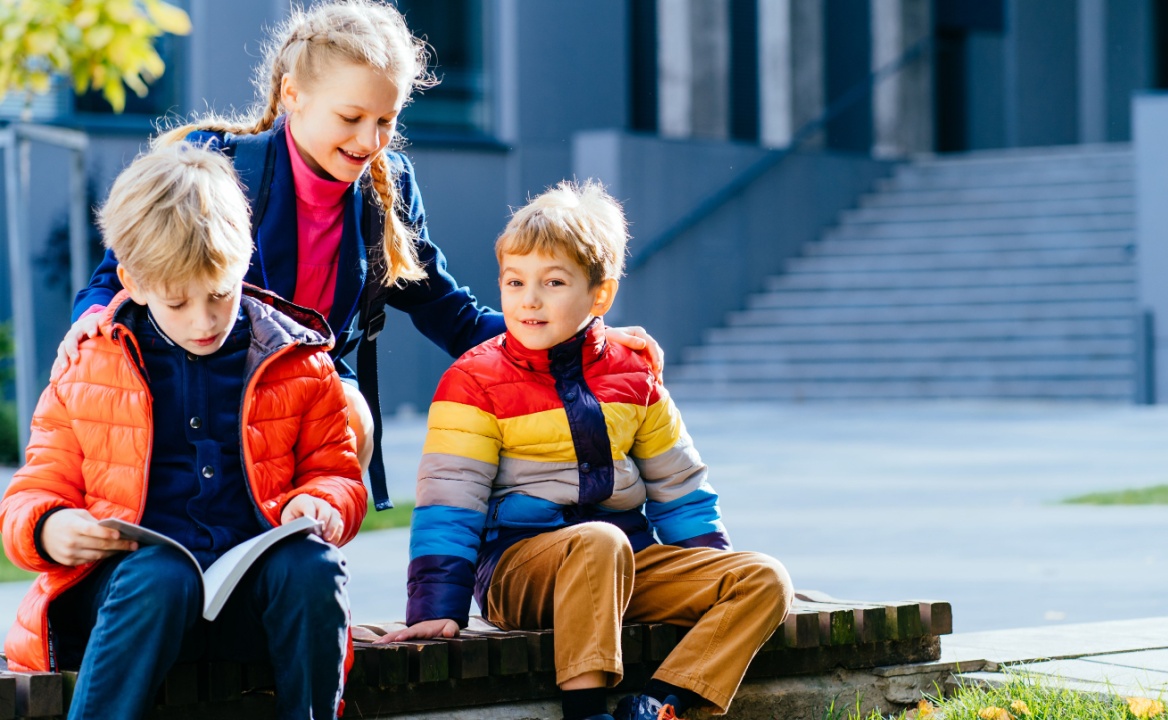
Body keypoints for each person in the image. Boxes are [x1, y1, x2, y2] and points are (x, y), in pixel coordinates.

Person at [55, 0, 663, 511]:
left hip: (309, 385)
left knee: (351, 413)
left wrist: (580, 340)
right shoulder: (220, 165)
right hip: (206, 366)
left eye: (385, 121)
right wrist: (87, 325)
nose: (369, 141)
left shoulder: (386, 190)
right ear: (293, 94)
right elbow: (120, 272)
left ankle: (311, 563)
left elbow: (450, 313)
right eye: (351, 117)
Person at [376, 181, 793, 720]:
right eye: (514, 281)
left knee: (762, 577)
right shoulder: (473, 380)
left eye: (553, 282)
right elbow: (450, 504)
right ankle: (587, 710)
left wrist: (705, 574)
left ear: (599, 297)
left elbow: (680, 488)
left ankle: (666, 704)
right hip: (522, 573)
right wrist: (436, 607)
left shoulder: (632, 374)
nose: (529, 299)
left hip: (628, 563)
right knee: (598, 541)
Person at [0, 143, 366, 719]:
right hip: (130, 605)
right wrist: (49, 529)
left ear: (245, 259)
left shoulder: (298, 361)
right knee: (159, 574)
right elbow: (31, 492)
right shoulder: (90, 363)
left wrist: (321, 505)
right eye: (178, 301)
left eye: (219, 295)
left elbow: (336, 474)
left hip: (251, 605)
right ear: (134, 282)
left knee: (311, 567)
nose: (203, 320)